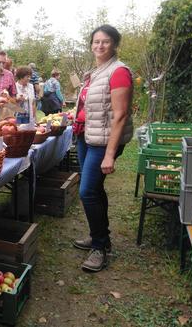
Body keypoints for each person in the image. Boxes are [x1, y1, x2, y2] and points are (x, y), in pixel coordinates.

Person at [72, 24, 133, 272]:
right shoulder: (96, 72)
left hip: (103, 142)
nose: (100, 45)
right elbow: (94, 106)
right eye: (96, 41)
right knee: (94, 190)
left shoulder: (118, 72)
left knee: (87, 192)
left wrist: (110, 154)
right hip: (88, 136)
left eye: (105, 41)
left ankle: (100, 247)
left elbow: (120, 115)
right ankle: (100, 236)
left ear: (115, 44)